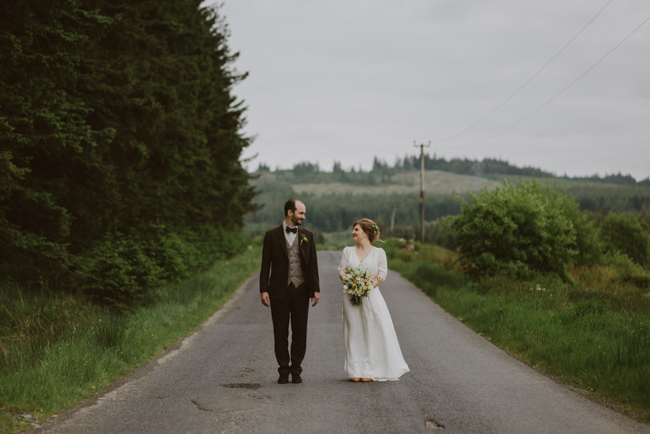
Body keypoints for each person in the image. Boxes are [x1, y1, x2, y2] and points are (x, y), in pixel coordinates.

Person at [338, 218, 409, 382]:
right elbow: (341, 270)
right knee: (353, 331)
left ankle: (369, 369)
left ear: (366, 232)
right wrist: (350, 283)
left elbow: (382, 274)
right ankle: (354, 369)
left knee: (371, 330)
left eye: (356, 230)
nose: (353, 232)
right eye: (353, 229)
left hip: (371, 296)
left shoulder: (379, 253)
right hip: (350, 296)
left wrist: (367, 287)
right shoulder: (348, 251)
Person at [260, 198, 320, 384]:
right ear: (290, 212)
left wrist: (315, 290)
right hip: (278, 290)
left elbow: (312, 264)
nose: (303, 216)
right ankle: (283, 370)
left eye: (304, 213)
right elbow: (265, 266)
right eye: (301, 213)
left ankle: (296, 370)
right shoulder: (271, 235)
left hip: (301, 290)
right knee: (280, 331)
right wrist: (263, 290)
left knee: (300, 331)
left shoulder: (307, 235)